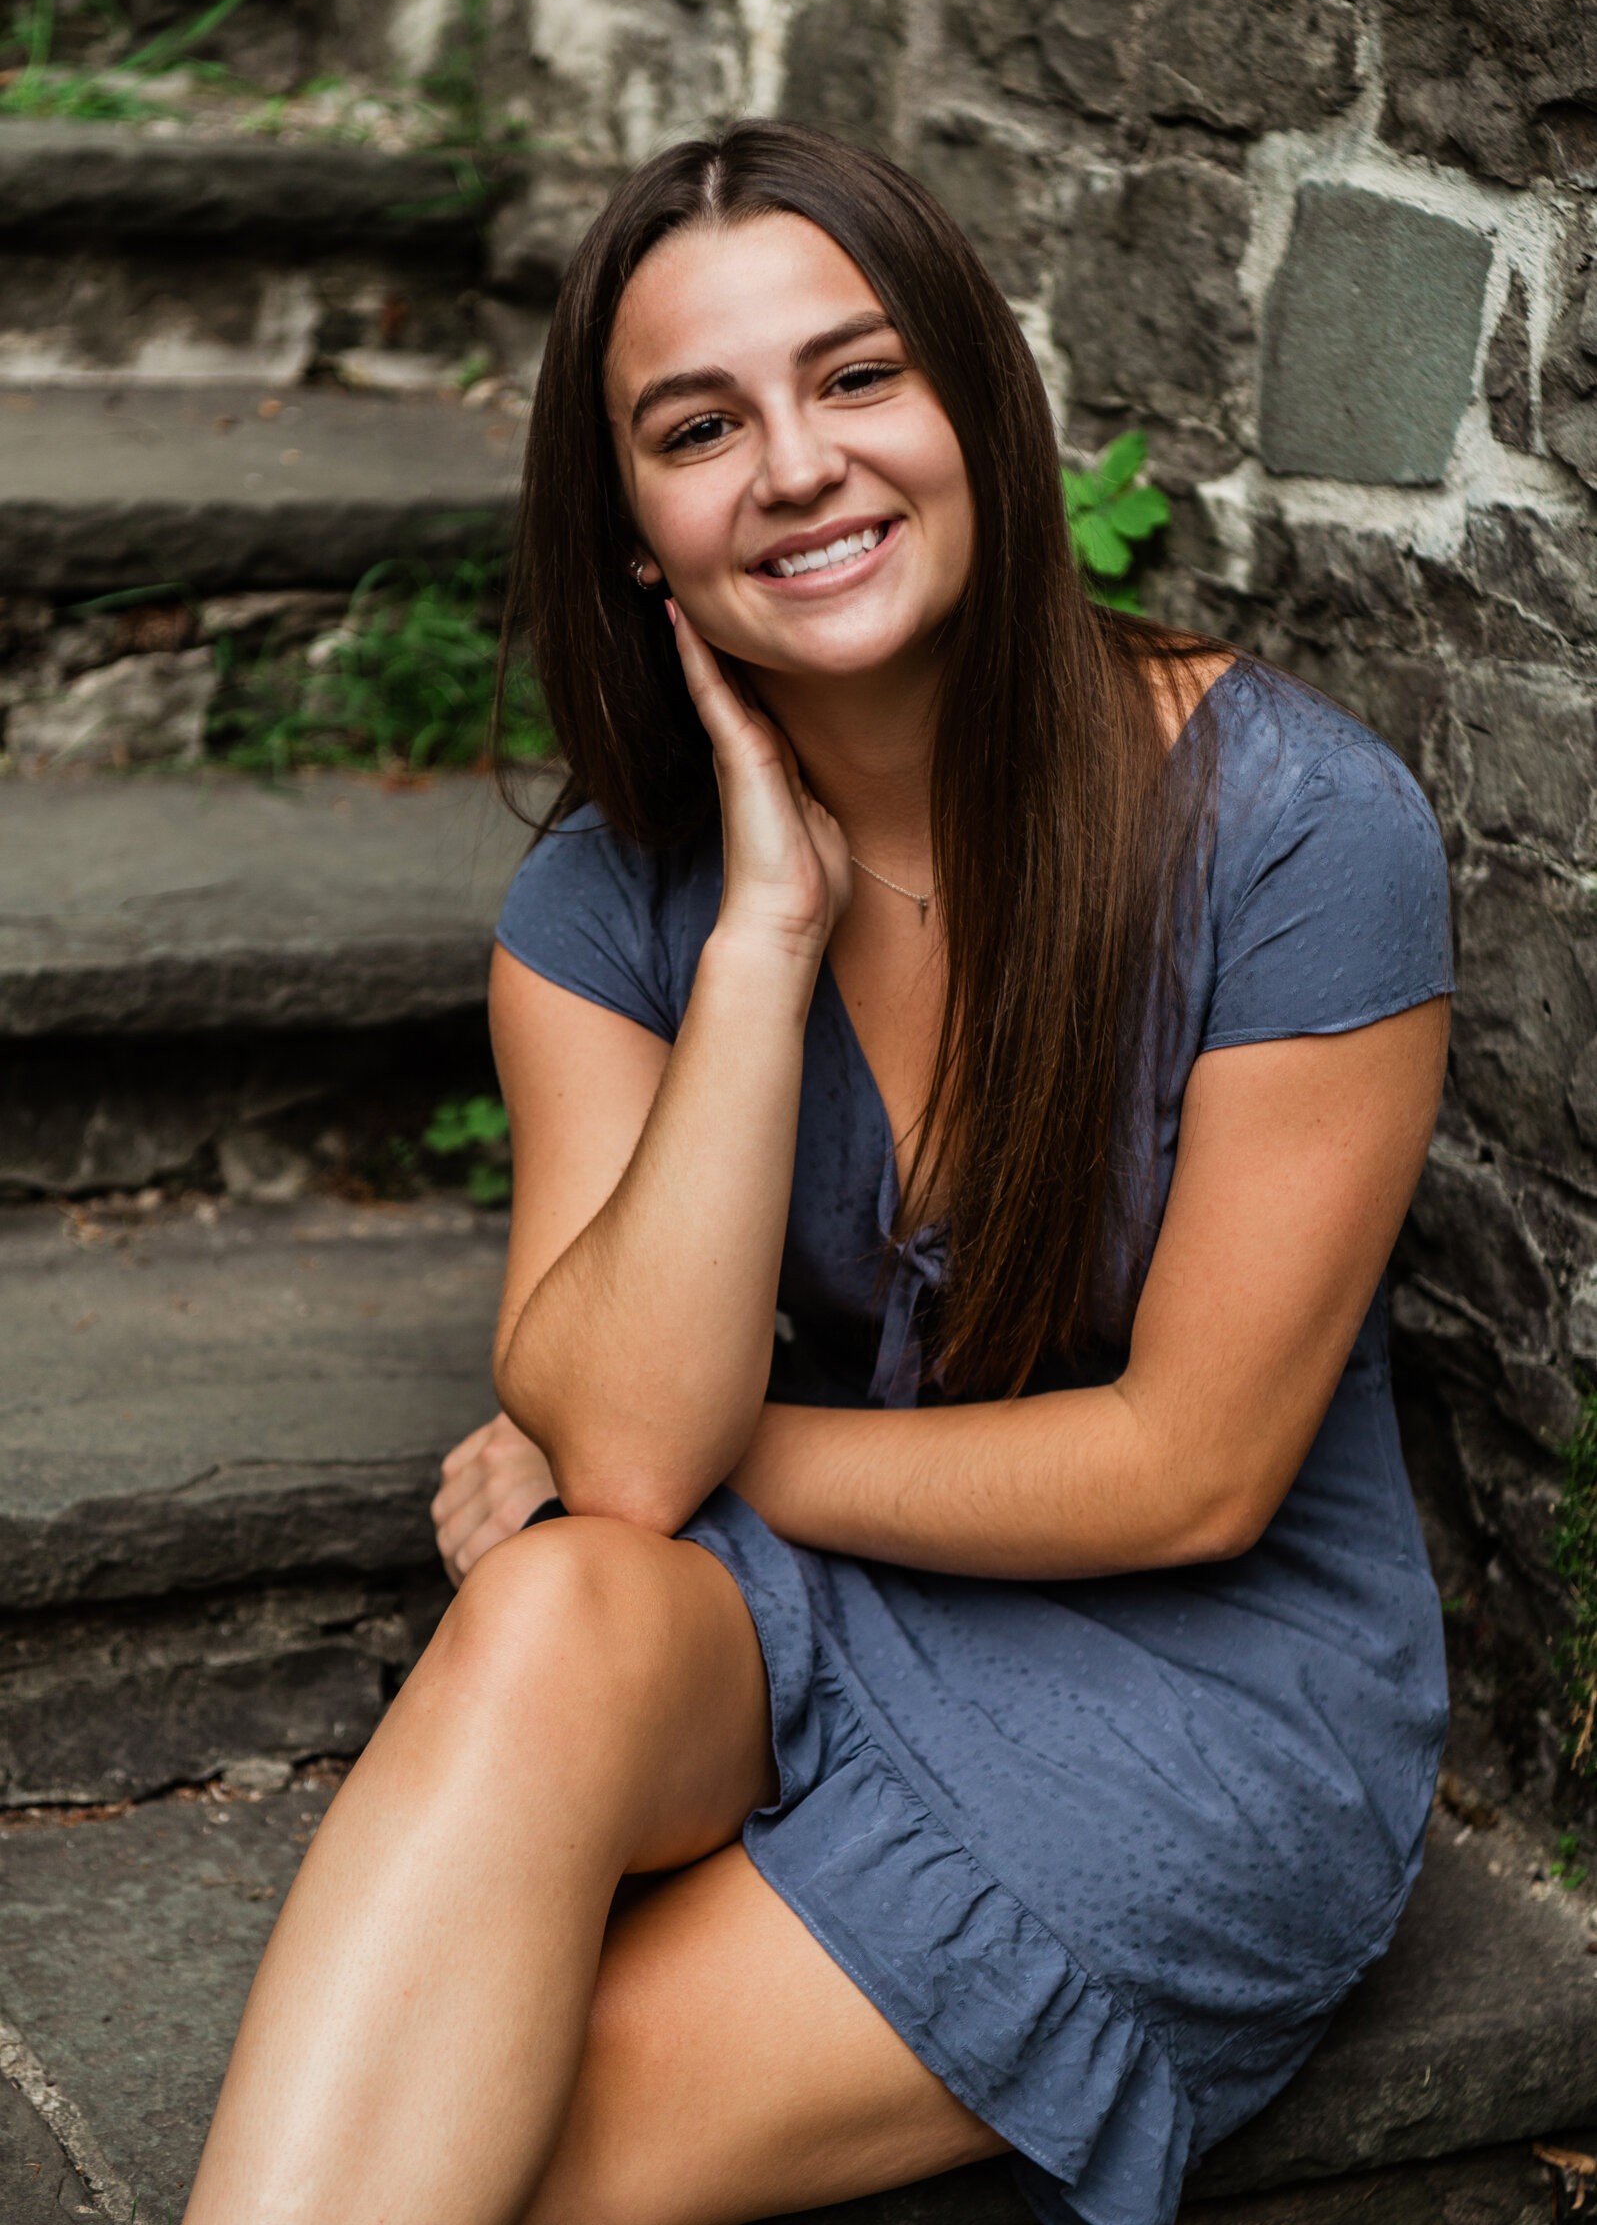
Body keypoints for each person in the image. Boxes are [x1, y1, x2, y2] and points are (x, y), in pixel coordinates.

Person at [187, 121, 1453, 2225]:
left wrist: (711, 1457)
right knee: (563, 1604)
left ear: (977, 402)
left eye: (858, 378)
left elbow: (1190, 1471)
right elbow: (611, 1457)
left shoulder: (1296, 832)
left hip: (1196, 1689)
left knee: (475, 2149)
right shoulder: (616, 909)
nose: (794, 466)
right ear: (634, 541)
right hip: (844, 1610)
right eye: (700, 427)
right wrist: (767, 935)